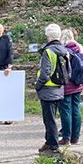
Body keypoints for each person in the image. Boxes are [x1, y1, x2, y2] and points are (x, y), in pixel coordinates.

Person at [36, 23, 68, 154]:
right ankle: (48, 142)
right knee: (51, 118)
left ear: (48, 37)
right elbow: (68, 72)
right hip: (59, 89)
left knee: (49, 120)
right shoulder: (65, 51)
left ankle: (53, 147)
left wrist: (37, 86)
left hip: (47, 90)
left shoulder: (48, 52)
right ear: (59, 37)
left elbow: (44, 74)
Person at [59, 28, 83, 146]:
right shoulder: (79, 48)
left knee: (65, 110)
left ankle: (66, 137)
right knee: (76, 109)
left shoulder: (64, 50)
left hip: (66, 85)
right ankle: (76, 137)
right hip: (78, 83)